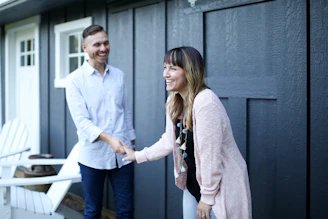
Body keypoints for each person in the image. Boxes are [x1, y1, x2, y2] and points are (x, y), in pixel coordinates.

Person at [123, 46, 252, 219]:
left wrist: (207, 197)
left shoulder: (206, 102)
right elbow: (169, 141)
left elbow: (210, 155)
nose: (165, 74)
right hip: (193, 184)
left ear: (190, 72)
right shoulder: (175, 101)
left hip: (219, 188)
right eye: (165, 67)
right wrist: (138, 156)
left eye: (173, 69)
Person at [65, 24, 135, 219]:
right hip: (92, 157)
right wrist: (110, 140)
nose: (103, 48)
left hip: (123, 155)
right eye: (97, 44)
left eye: (106, 43)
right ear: (84, 48)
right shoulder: (74, 80)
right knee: (92, 211)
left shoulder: (119, 76)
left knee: (125, 211)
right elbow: (82, 122)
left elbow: (125, 111)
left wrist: (131, 141)